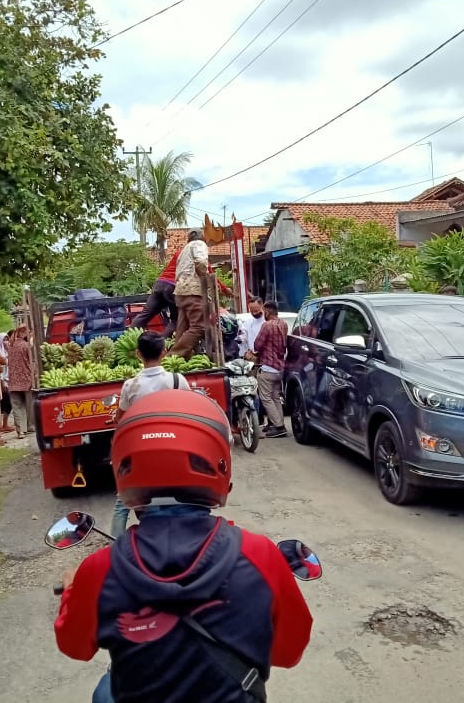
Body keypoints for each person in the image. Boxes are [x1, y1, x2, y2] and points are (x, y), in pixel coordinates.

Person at [55, 389, 313, 703]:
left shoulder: (100, 569)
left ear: (122, 469)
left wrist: (72, 590)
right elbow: (288, 653)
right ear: (220, 468)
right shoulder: (260, 555)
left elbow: (75, 647)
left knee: (104, 692)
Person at [109, 331, 190, 538]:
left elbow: (121, 417)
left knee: (122, 504)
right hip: (174, 450)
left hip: (141, 454)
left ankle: (115, 548)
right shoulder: (177, 380)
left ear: (138, 354)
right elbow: (191, 409)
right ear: (164, 352)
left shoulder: (131, 386)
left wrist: (116, 417)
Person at [169, 230, 210, 359]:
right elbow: (201, 262)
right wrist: (205, 277)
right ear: (202, 238)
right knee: (199, 326)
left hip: (180, 292)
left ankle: (180, 360)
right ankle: (173, 356)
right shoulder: (199, 244)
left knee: (182, 327)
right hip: (193, 290)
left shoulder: (184, 250)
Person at [254, 301, 289, 438]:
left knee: (266, 398)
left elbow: (257, 345)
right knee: (275, 397)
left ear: (267, 312)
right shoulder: (284, 324)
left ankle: (279, 427)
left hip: (268, 367)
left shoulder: (267, 326)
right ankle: (279, 423)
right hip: (280, 367)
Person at [132, 249, 182, 336]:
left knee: (145, 315)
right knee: (176, 320)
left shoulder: (179, 251)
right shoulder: (196, 252)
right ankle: (161, 343)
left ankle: (129, 337)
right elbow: (206, 272)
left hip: (160, 283)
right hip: (173, 286)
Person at [7, 326, 36, 438]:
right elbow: (31, 358)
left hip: (13, 381)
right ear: (23, 332)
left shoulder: (10, 345)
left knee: (17, 406)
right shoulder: (25, 346)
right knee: (29, 405)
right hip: (26, 379)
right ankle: (30, 426)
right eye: (28, 332)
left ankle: (20, 431)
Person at [0, 332, 13, 433]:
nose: (6, 341)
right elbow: (1, 366)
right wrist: (2, 382)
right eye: (4, 339)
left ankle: (4, 424)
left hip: (10, 379)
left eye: (7, 339)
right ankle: (1, 425)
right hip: (3, 380)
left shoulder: (8, 350)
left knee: (7, 404)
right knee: (6, 403)